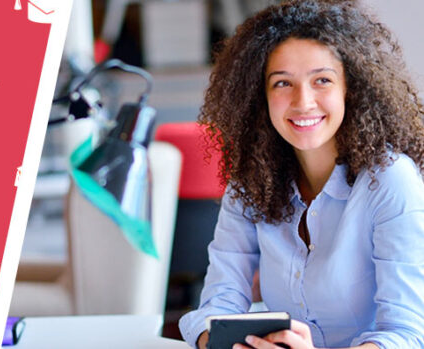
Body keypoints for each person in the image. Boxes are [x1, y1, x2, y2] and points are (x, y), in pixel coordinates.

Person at [178, 1, 424, 348]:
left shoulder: (390, 181)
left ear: (349, 88)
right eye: (282, 83)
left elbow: (407, 334)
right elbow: (218, 306)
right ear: (259, 96)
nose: (303, 101)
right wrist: (215, 341)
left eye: (322, 80)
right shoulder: (250, 181)